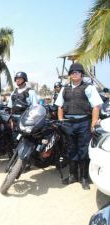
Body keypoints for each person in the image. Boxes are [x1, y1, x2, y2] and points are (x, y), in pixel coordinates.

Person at [55, 62, 103, 190]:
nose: (74, 74)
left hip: (84, 123)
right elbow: (60, 106)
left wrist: (93, 123)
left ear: (81, 74)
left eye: (76, 72)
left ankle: (84, 178)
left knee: (83, 150)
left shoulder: (89, 88)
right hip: (68, 123)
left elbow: (95, 106)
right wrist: (60, 121)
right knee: (71, 149)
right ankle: (72, 175)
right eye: (72, 72)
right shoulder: (64, 89)